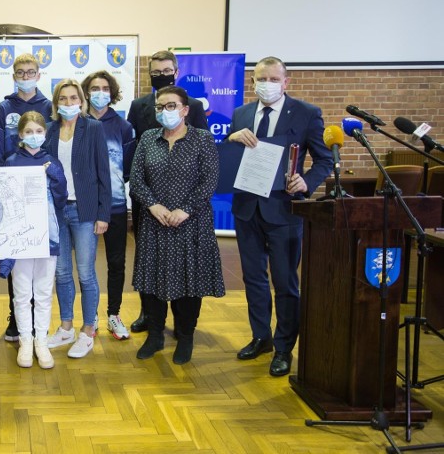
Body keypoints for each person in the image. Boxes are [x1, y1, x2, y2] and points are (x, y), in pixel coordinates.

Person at [226, 56, 331, 376]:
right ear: (252, 81)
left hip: (285, 210)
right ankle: (261, 337)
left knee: (285, 282)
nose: (267, 84)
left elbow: (324, 161)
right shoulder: (241, 114)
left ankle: (284, 347)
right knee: (253, 279)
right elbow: (234, 158)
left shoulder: (306, 113)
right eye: (261, 78)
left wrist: (307, 182)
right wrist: (230, 139)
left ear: (286, 82)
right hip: (247, 209)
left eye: (274, 79)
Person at [129, 86, 224, 365]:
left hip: (191, 224)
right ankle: (155, 335)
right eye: (160, 106)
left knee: (188, 284)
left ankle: (185, 337)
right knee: (152, 283)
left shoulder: (202, 139)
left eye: (171, 106)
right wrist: (153, 205)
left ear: (185, 110)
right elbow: (136, 180)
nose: (164, 111)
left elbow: (209, 181)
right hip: (155, 222)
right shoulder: (148, 138)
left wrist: (184, 209)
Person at [127, 50, 209, 335]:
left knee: (187, 260)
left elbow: (203, 153)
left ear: (176, 71)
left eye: (166, 70)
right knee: (148, 258)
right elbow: (132, 149)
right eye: (156, 71)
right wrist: (147, 199)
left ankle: (185, 324)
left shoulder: (194, 106)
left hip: (186, 203)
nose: (161, 75)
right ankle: (148, 315)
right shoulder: (139, 106)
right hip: (149, 201)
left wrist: (186, 206)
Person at [44, 79, 111, 359]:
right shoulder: (48, 131)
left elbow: (103, 172)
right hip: (58, 210)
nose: (69, 103)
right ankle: (67, 326)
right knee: (61, 272)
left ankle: (88, 330)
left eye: (74, 98)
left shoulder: (93, 128)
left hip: (85, 210)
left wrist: (103, 214)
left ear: (81, 102)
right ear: (56, 102)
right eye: (63, 98)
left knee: (85, 272)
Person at [0, 53, 53, 341]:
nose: (26, 76)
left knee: (39, 255)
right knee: (15, 254)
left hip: (42, 193)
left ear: (39, 75)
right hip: (12, 191)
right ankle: (16, 318)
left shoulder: (50, 107)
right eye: (21, 72)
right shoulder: (4, 108)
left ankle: (38, 320)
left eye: (31, 72)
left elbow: (50, 149)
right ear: (13, 74)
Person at [3, 111, 67, 369]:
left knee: (42, 292)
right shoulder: (10, 162)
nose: (34, 136)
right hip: (20, 238)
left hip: (47, 235)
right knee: (21, 294)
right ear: (20, 134)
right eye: (28, 132)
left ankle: (41, 340)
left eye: (38, 131)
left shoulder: (53, 162)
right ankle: (25, 341)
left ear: (45, 133)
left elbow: (61, 200)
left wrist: (54, 179)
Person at [81, 71, 136, 341]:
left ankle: (113, 314)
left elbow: (126, 169)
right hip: (84, 207)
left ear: (112, 93)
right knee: (86, 264)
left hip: (114, 205)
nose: (100, 92)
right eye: (94, 88)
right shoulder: (78, 122)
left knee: (116, 262)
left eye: (105, 88)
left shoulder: (123, 127)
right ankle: (90, 316)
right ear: (86, 92)